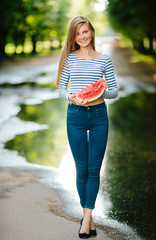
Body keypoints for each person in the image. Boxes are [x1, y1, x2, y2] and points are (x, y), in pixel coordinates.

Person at [56, 16, 118, 239]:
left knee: (94, 169)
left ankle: (86, 219)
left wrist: (102, 89)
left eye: (85, 32)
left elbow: (114, 91)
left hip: (99, 116)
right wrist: (71, 97)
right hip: (76, 116)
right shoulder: (69, 59)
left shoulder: (104, 59)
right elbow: (62, 88)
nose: (82, 37)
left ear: (91, 32)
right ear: (73, 37)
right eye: (77, 33)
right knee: (81, 169)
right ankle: (88, 217)